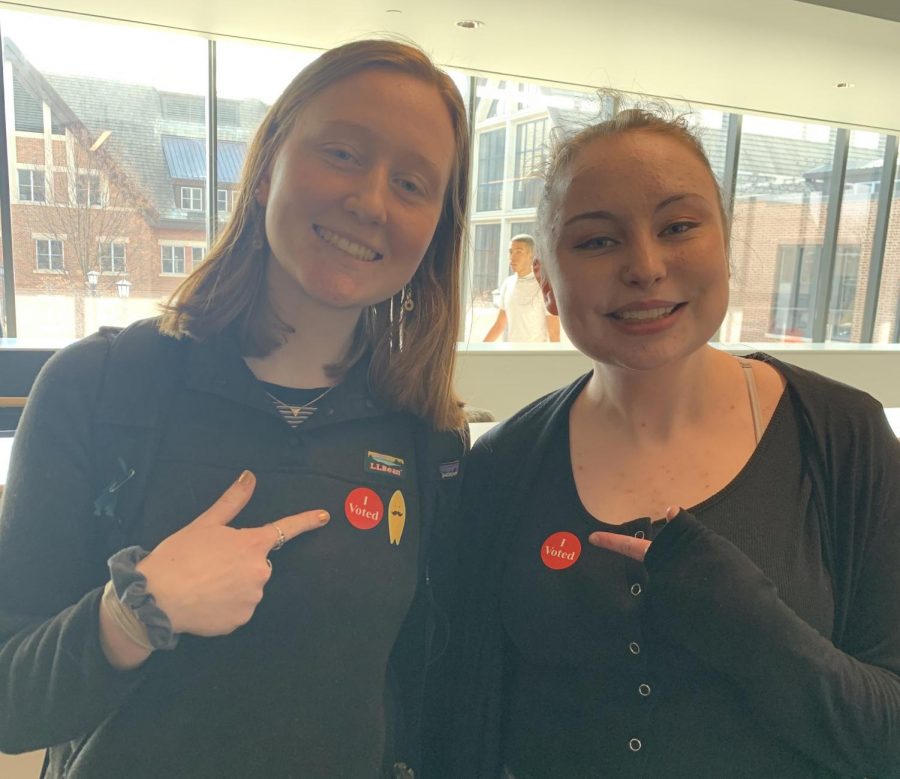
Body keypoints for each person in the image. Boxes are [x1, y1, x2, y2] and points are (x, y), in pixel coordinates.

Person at [0, 39, 470, 778]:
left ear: (437, 227)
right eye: (344, 153)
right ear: (266, 167)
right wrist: (132, 615)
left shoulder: (427, 436)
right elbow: (11, 702)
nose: (371, 200)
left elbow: (419, 690)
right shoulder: (98, 387)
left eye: (412, 184)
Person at [449, 105, 900, 777]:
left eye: (679, 226)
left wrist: (750, 624)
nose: (646, 265)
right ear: (545, 282)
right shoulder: (503, 466)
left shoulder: (842, 435)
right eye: (598, 241)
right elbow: (468, 719)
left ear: (723, 241)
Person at [483, 234, 560, 343]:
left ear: (532, 256)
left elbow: (553, 332)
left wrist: (555, 359)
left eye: (519, 251)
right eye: (511, 252)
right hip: (511, 355)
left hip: (535, 356)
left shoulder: (544, 286)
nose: (512, 257)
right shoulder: (507, 283)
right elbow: (500, 324)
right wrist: (475, 352)